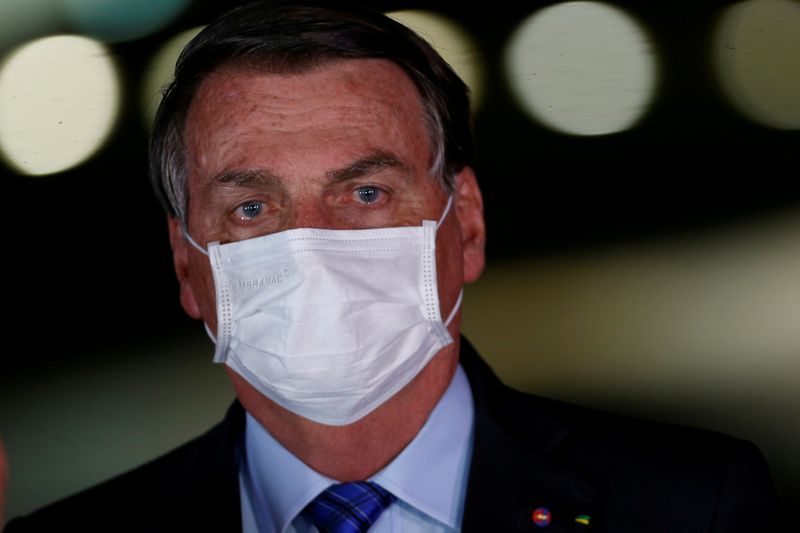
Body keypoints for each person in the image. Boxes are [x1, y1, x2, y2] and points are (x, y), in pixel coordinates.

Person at [1, 1, 785, 531]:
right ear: (187, 264)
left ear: (466, 224)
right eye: (252, 209)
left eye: (367, 192)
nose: (310, 245)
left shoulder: (692, 505)